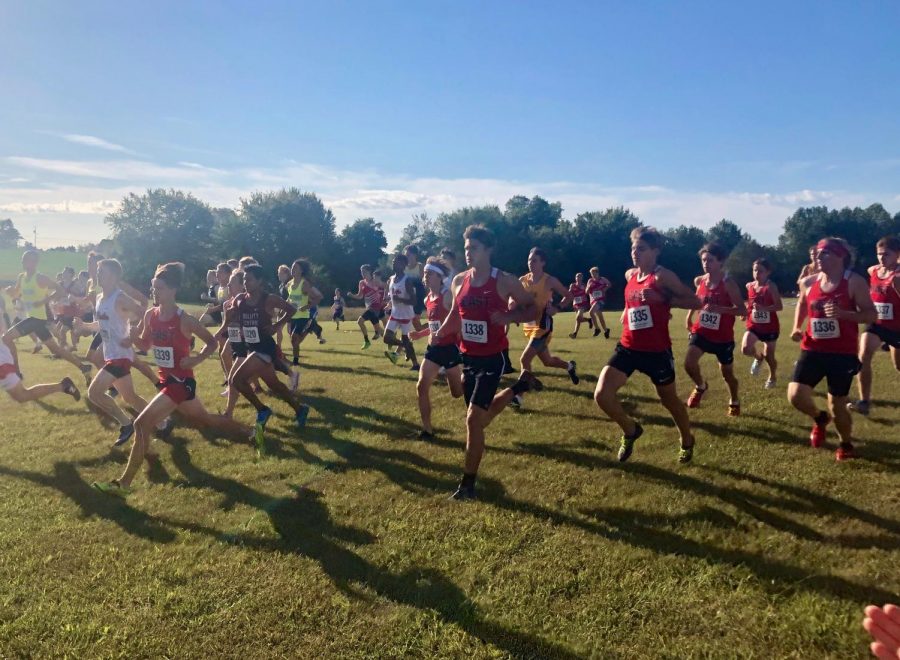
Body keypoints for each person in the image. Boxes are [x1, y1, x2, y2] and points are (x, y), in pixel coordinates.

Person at [92, 263, 252, 497]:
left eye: (160, 288)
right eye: (153, 287)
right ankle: (250, 431)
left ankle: (123, 484)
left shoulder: (184, 319)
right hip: (166, 380)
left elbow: (212, 342)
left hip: (181, 382)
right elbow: (146, 344)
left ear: (173, 290)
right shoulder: (150, 315)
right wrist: (134, 338)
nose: (155, 292)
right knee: (206, 420)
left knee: (140, 424)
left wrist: (196, 360)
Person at [432, 224, 542, 500]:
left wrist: (508, 318)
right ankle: (519, 388)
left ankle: (467, 486)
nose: (469, 253)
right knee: (480, 420)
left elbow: (532, 307)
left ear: (489, 250)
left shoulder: (504, 280)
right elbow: (456, 314)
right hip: (467, 357)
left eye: (474, 248)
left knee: (472, 420)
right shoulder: (459, 281)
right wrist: (442, 332)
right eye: (466, 248)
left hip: (493, 358)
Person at [594, 226, 701, 464]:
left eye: (641, 248)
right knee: (602, 394)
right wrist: (626, 312)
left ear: (655, 251)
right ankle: (631, 430)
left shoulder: (663, 277)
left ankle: (687, 439)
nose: (635, 252)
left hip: (656, 352)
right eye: (633, 248)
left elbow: (695, 300)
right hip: (628, 347)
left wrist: (663, 299)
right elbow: (633, 301)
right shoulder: (629, 275)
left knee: (669, 402)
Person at [788, 237, 876, 460]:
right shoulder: (808, 283)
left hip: (842, 353)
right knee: (795, 396)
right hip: (813, 348)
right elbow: (802, 304)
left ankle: (845, 445)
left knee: (837, 405)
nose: (819, 256)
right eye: (818, 252)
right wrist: (797, 326)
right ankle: (819, 418)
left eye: (825, 253)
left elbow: (871, 314)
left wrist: (846, 315)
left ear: (840, 256)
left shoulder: (854, 282)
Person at [225, 264, 310, 455]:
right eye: (244, 279)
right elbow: (234, 315)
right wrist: (233, 319)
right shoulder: (240, 299)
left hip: (265, 348)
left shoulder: (268, 299)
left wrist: (277, 325)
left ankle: (262, 410)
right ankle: (300, 409)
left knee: (236, 380)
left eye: (250, 279)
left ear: (260, 281)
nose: (246, 283)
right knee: (275, 386)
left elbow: (291, 309)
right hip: (252, 348)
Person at [75, 259, 160, 446]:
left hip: (121, 356)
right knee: (130, 397)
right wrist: (84, 326)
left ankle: (126, 424)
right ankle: (163, 423)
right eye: (98, 271)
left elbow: (142, 314)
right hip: (110, 354)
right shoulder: (99, 299)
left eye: (101, 272)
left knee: (94, 393)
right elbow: (101, 324)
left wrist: (132, 337)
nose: (97, 275)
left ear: (113, 276)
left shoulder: (120, 298)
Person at [2, 250, 92, 384]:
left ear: (35, 262)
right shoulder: (22, 277)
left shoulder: (40, 278)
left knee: (6, 338)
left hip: (37, 319)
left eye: (28, 259)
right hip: (33, 319)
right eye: (23, 259)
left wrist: (43, 301)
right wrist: (11, 291)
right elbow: (16, 294)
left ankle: (17, 373)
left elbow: (60, 291)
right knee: (55, 349)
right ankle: (84, 367)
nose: (24, 262)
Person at [683, 242, 745, 416]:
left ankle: (734, 399)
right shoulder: (700, 280)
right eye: (703, 260)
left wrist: (722, 309)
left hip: (722, 337)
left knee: (727, 375)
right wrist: (689, 316)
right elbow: (698, 300)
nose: (705, 264)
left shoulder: (728, 284)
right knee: (689, 363)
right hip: (701, 331)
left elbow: (742, 310)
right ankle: (701, 386)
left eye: (710, 260)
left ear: (720, 262)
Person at [512, 247, 578, 409]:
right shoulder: (523, 280)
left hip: (543, 325)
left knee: (524, 359)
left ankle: (518, 397)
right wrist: (512, 307)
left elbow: (568, 295)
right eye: (529, 260)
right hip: (529, 325)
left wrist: (557, 308)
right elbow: (513, 299)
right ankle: (569, 366)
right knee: (547, 362)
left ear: (543, 262)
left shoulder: (550, 281)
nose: (530, 263)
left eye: (534, 260)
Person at [410, 257, 463, 439]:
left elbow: (458, 320)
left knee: (457, 393)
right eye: (424, 273)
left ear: (439, 277)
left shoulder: (447, 295)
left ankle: (469, 379)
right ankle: (427, 430)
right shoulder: (427, 299)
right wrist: (420, 334)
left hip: (449, 349)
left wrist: (445, 333)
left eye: (429, 273)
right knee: (421, 386)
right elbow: (434, 326)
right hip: (433, 350)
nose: (425, 276)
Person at [849, 236, 900, 416]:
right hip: (876, 324)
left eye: (886, 254)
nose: (881, 258)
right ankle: (864, 401)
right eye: (879, 254)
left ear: (897, 255)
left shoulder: (898, 277)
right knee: (863, 355)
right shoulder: (874, 271)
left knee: (899, 366)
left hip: (897, 328)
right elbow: (872, 269)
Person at [0, 309, 81, 404]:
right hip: (3, 355)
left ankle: (64, 385)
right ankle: (65, 385)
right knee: (20, 396)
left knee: (21, 395)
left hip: (2, 361)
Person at [741, 257, 783, 388]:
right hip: (754, 325)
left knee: (769, 356)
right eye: (755, 270)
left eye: (760, 271)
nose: (757, 273)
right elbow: (751, 303)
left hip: (770, 327)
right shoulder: (749, 286)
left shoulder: (770, 286)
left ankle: (772, 377)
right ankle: (758, 358)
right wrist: (745, 313)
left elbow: (779, 306)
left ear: (768, 272)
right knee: (745, 349)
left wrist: (764, 308)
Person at [383, 254, 421, 370]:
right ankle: (406, 347)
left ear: (404, 265)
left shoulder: (407, 280)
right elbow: (392, 295)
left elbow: (414, 301)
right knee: (386, 338)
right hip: (395, 313)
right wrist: (388, 300)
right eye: (393, 262)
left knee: (405, 339)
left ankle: (415, 365)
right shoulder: (391, 279)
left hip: (405, 315)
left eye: (397, 262)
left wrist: (400, 299)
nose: (394, 264)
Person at [285, 259, 323, 366]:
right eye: (292, 267)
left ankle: (295, 362)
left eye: (295, 268)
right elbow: (290, 298)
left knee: (294, 337)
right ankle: (296, 359)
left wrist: (306, 306)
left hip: (303, 316)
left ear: (301, 271)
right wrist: (284, 306)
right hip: (292, 315)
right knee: (293, 340)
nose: (292, 269)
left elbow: (318, 297)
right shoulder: (289, 284)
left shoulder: (304, 283)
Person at [348, 264, 386, 349]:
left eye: (364, 272)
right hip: (369, 308)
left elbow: (386, 286)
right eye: (361, 272)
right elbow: (360, 296)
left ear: (369, 272)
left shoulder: (375, 281)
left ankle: (367, 341)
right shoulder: (361, 283)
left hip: (376, 308)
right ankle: (392, 341)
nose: (362, 274)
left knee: (360, 321)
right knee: (380, 330)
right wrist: (352, 295)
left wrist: (387, 297)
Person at [585, 267, 612, 338]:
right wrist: (588, 287)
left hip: (600, 300)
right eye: (591, 274)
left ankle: (597, 329)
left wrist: (604, 289)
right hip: (593, 300)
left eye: (594, 273)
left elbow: (609, 284)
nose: (592, 275)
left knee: (591, 312)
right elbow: (586, 292)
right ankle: (606, 330)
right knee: (600, 317)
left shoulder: (602, 279)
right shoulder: (590, 281)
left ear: (597, 273)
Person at [567, 272, 593, 339]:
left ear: (582, 278)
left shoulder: (584, 286)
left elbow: (588, 292)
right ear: (575, 278)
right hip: (576, 304)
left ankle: (575, 333)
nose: (578, 278)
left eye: (580, 277)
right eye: (577, 277)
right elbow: (569, 293)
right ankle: (575, 333)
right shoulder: (572, 285)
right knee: (578, 320)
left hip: (583, 304)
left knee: (578, 318)